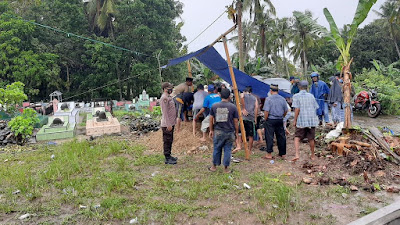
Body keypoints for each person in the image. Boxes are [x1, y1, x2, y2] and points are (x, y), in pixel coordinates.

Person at [208, 88, 239, 173]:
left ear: (220, 95)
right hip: (229, 131)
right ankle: (226, 169)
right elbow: (236, 121)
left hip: (218, 131)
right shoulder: (233, 107)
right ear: (229, 96)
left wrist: (211, 130)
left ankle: (214, 167)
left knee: (217, 148)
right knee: (228, 150)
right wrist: (236, 132)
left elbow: (211, 119)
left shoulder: (214, 106)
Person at [292, 80, 319, 161]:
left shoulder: (296, 96)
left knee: (297, 137)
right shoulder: (311, 96)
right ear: (307, 87)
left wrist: (295, 120)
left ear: (299, 87)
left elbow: (297, 109)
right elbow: (315, 107)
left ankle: (297, 154)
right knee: (311, 138)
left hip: (301, 120)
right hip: (311, 121)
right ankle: (313, 155)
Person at [262, 84, 288, 159]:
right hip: (279, 119)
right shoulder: (282, 99)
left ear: (270, 91)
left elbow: (266, 111)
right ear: (278, 91)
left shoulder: (268, 99)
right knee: (281, 136)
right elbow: (286, 110)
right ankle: (282, 154)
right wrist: (282, 116)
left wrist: (265, 119)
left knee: (269, 136)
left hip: (271, 119)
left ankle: (269, 154)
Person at [160, 82, 179, 165]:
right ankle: (167, 158)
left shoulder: (168, 97)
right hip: (167, 124)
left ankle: (169, 155)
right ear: (165, 89)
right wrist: (168, 124)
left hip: (171, 122)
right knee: (167, 141)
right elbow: (165, 113)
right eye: (169, 88)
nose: (171, 90)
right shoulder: (164, 98)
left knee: (170, 140)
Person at [237, 86, 258, 153]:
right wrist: (255, 118)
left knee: (240, 133)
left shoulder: (243, 94)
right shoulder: (255, 98)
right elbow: (256, 107)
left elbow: (242, 96)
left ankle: (239, 146)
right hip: (250, 118)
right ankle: (249, 149)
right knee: (251, 135)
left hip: (243, 117)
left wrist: (243, 108)